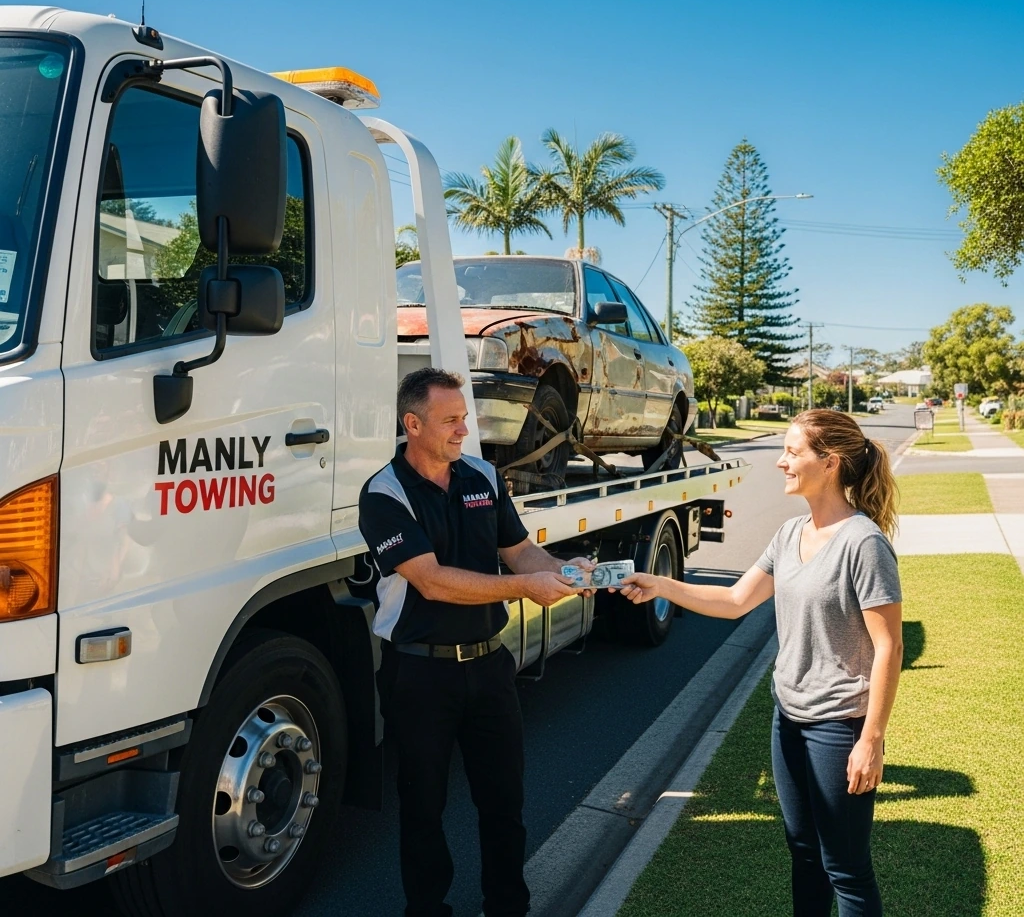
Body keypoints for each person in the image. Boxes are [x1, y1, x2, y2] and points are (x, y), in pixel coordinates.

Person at [617, 409, 903, 917]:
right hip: (787, 718)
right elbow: (734, 601)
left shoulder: (864, 543)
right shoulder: (790, 533)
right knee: (803, 853)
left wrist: (871, 741)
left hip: (839, 726)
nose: (781, 461)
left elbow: (890, 648)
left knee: (846, 869)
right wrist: (661, 584)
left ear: (830, 462)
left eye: (793, 452)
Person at [358, 367, 590, 917]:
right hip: (419, 674)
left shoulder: (482, 476)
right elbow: (432, 580)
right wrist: (525, 587)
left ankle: (507, 907)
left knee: (504, 804)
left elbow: (519, 551)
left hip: (489, 668)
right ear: (412, 424)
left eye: (465, 417)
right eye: (451, 420)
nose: (465, 429)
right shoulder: (383, 494)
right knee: (422, 809)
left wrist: (563, 570)